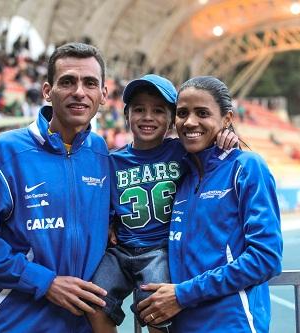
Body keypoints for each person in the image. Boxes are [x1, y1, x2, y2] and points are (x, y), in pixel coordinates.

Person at [0, 42, 110, 332]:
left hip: (84, 324)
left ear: (103, 95)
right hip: (22, 321)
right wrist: (45, 282)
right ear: (47, 91)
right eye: (67, 82)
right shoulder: (8, 150)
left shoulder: (100, 152)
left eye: (90, 83)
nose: (79, 91)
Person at [88, 74, 238, 333]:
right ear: (126, 115)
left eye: (158, 110)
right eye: (139, 110)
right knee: (94, 300)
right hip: (122, 250)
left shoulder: (182, 151)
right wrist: (111, 220)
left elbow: (211, 146)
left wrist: (227, 136)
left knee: (156, 308)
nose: (148, 117)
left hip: (160, 250)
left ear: (172, 120)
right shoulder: (111, 161)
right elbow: (103, 203)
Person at [137, 76, 283, 333]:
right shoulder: (180, 176)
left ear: (227, 119)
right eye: (182, 113)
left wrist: (183, 294)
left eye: (202, 113)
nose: (190, 121)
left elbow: (266, 258)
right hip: (181, 325)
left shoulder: (247, 167)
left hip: (231, 325)